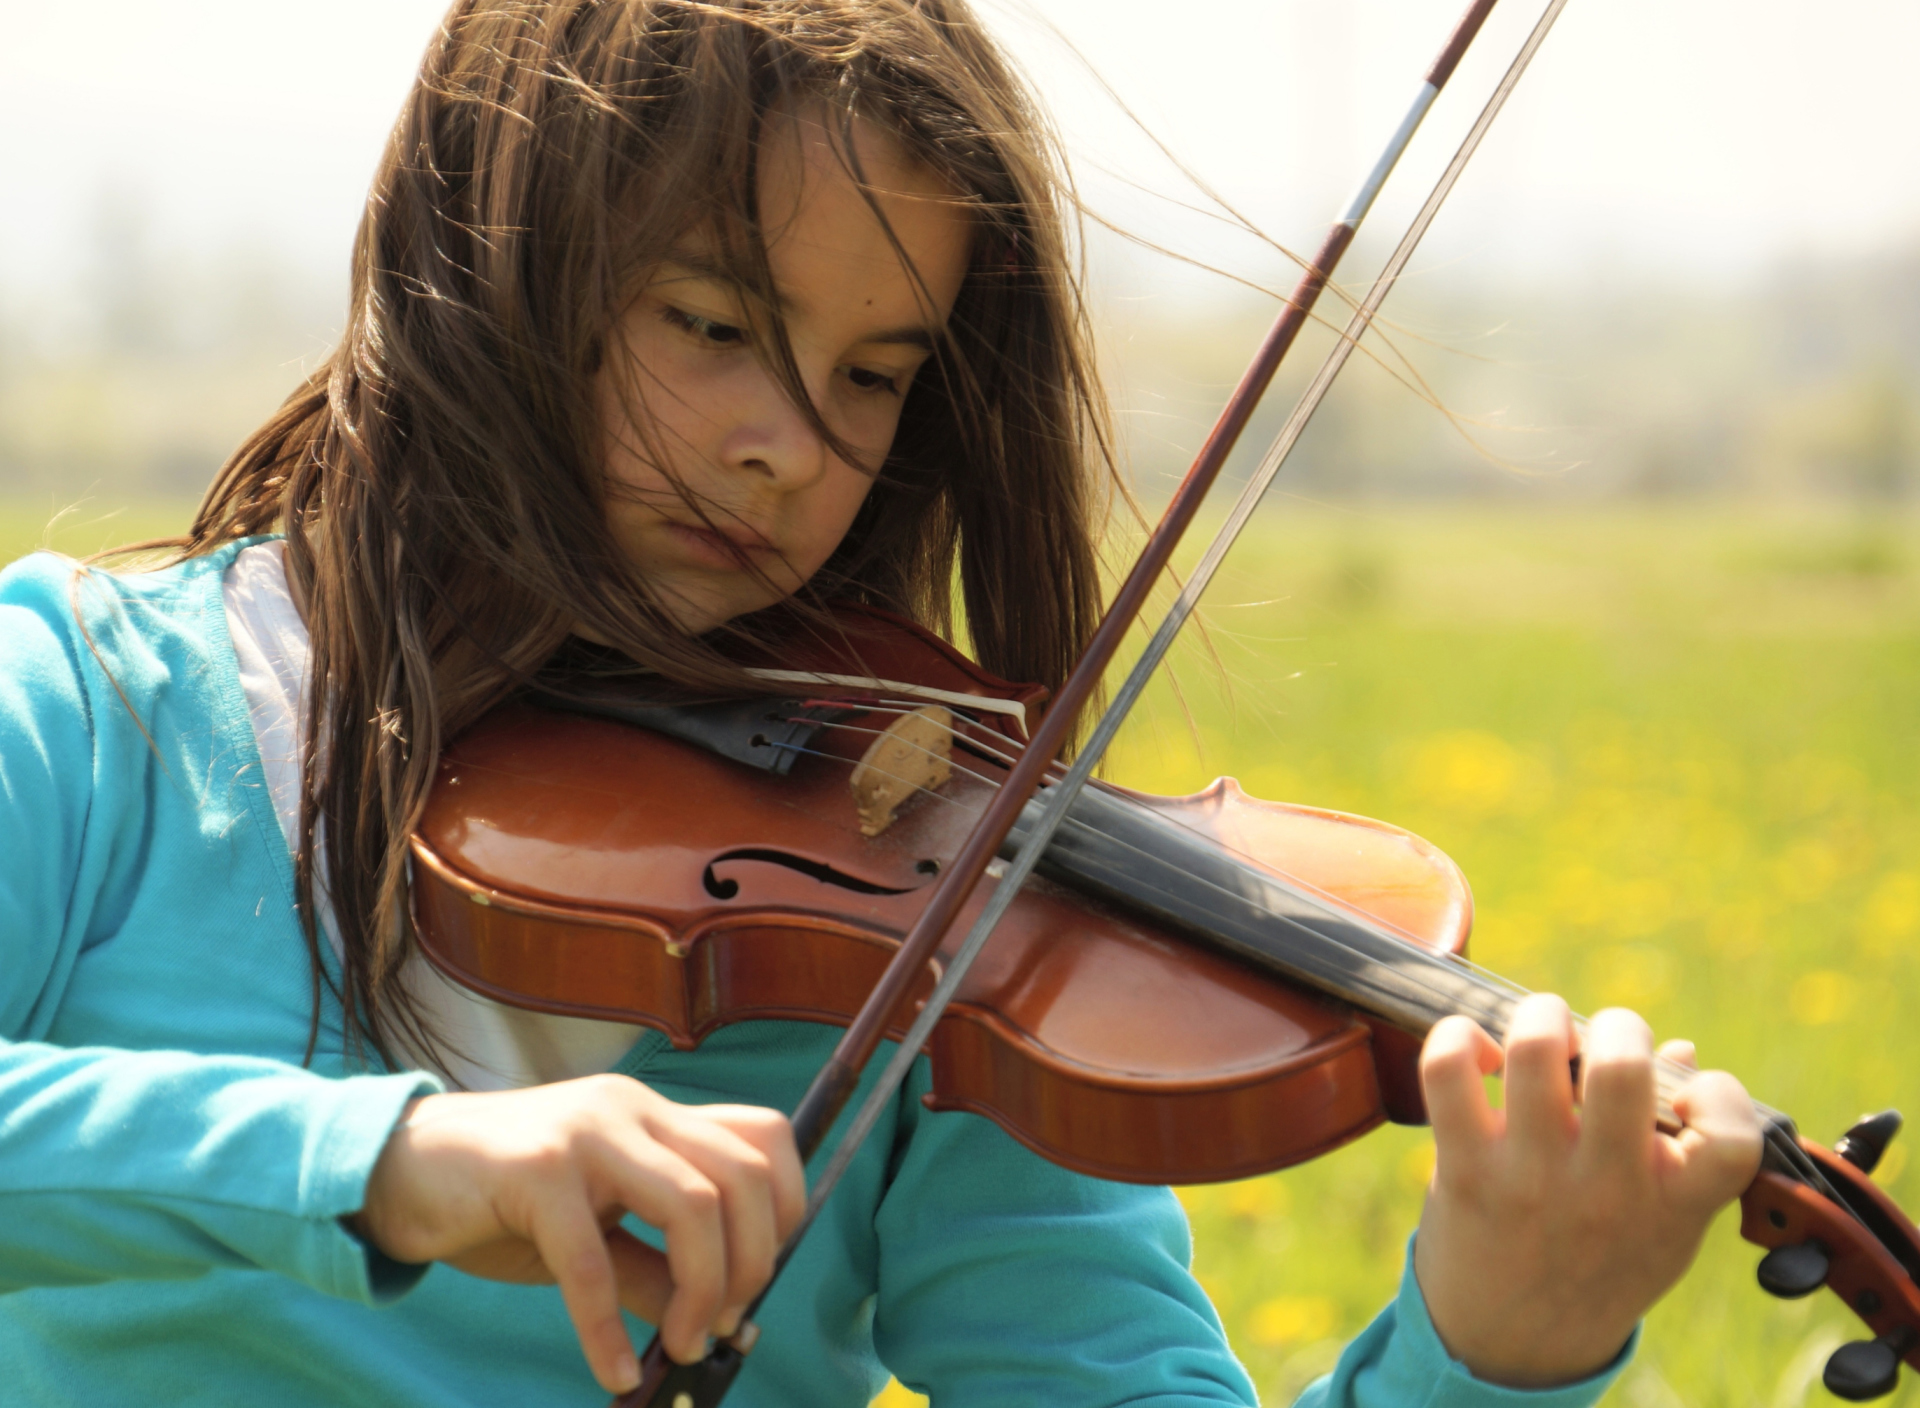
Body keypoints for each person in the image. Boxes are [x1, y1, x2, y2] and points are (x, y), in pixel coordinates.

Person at [0, 1, 1762, 1404]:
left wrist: (1489, 1355)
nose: (793, 448)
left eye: (873, 375)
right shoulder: (85, 717)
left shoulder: (941, 903)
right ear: (492, 261)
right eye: (708, 323)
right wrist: (390, 1163)